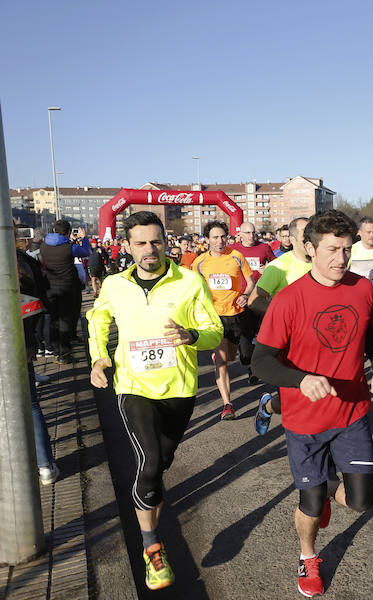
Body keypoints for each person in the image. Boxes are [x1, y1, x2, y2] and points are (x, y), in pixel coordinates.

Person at [250, 210, 373, 597]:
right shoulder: (288, 300)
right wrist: (300, 379)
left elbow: (371, 338)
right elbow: (261, 361)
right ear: (309, 249)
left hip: (352, 412)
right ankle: (308, 556)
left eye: (346, 250)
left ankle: (328, 490)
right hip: (305, 420)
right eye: (331, 250)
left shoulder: (361, 288)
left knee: (361, 501)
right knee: (311, 504)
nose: (340, 260)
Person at [87, 211, 223, 590]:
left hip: (179, 389)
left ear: (166, 241)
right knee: (147, 463)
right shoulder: (115, 285)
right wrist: (99, 356)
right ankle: (152, 548)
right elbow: (97, 319)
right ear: (127, 246)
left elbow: (215, 329)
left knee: (159, 467)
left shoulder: (189, 281)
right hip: (134, 387)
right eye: (142, 243)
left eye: (156, 241)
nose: (150, 249)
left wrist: (192, 335)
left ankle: (150, 509)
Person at [248, 217, 312, 434]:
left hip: (318, 341)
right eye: (304, 232)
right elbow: (254, 301)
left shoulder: (323, 263)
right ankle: (267, 406)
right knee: (293, 399)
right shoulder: (278, 267)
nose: (309, 235)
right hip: (288, 343)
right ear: (292, 239)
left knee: (316, 395)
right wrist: (285, 316)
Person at [192, 221, 256, 420]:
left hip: (238, 315)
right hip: (216, 318)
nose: (219, 241)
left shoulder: (236, 256)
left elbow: (251, 281)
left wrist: (245, 294)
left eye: (223, 237)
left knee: (240, 357)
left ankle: (227, 353)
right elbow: (195, 288)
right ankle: (227, 404)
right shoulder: (200, 262)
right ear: (206, 240)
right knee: (221, 363)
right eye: (215, 237)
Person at [16, 225, 59, 485]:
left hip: (21, 342)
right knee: (31, 406)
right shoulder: (25, 262)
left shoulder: (25, 262)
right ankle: (44, 465)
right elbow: (42, 301)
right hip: (23, 341)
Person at [39, 219, 91, 363]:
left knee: (54, 320)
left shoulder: (43, 246)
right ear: (68, 233)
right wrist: (84, 238)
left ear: (54, 230)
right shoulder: (69, 248)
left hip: (50, 288)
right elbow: (85, 251)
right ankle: (65, 354)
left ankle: (56, 350)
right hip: (67, 288)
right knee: (65, 320)